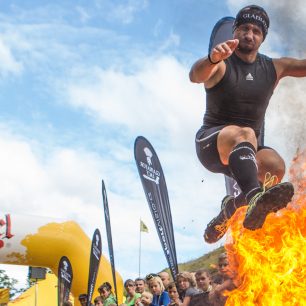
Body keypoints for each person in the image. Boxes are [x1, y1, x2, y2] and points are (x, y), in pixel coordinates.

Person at [189, 4, 306, 243]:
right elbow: (195, 75)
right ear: (235, 31)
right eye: (244, 28)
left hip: (246, 152)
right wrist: (212, 58)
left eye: (256, 31)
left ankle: (231, 208)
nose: (249, 35)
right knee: (245, 134)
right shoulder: (221, 62)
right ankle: (253, 197)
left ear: (263, 38)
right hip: (212, 145)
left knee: (275, 167)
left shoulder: (274, 67)